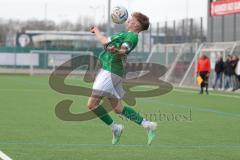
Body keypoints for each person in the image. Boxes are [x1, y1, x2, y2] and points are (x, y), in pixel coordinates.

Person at [88, 12, 157, 145]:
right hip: (111, 71)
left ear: (136, 24)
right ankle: (147, 124)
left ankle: (115, 127)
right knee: (118, 108)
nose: (128, 20)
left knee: (92, 104)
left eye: (131, 19)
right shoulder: (123, 34)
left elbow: (125, 49)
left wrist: (117, 51)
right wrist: (96, 31)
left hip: (110, 72)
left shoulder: (131, 36)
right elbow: (104, 41)